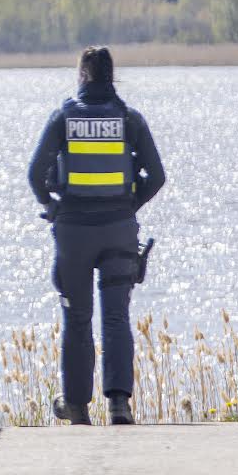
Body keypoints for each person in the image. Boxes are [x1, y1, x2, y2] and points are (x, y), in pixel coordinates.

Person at [28, 46, 165, 425]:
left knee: (77, 319)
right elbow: (157, 176)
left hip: (73, 235)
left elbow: (34, 173)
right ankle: (119, 405)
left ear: (84, 76)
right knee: (117, 317)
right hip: (119, 231)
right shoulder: (129, 119)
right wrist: (128, 207)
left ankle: (76, 406)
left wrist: (53, 206)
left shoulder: (63, 117)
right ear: (111, 76)